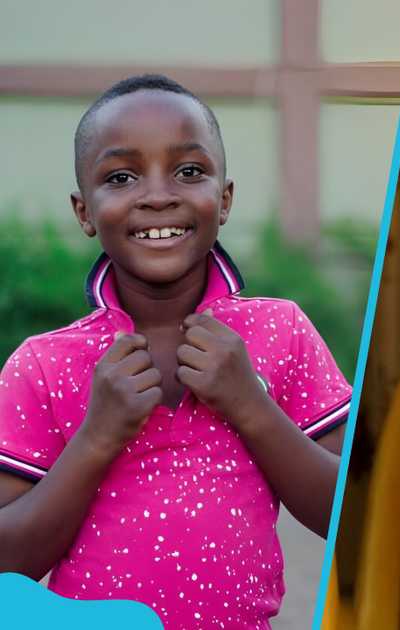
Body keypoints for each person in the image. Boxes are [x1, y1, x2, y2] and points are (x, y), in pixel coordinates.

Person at [0, 74, 351, 628]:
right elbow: (8, 562)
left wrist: (250, 405)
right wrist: (97, 436)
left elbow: (349, 514)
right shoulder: (43, 364)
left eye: (189, 171)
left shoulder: (281, 330)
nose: (158, 195)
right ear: (84, 212)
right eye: (121, 177)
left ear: (225, 199)